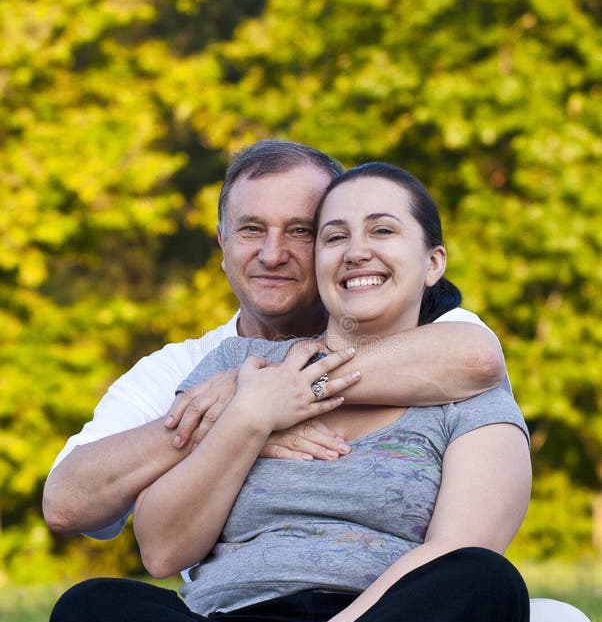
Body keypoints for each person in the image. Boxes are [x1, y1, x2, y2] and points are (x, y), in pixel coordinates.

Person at [44, 162, 534, 622]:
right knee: (90, 609)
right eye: (333, 237)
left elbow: (454, 548)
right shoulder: (235, 369)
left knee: (484, 582)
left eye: (383, 231)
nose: (355, 252)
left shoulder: (466, 383)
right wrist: (250, 417)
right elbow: (161, 551)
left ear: (433, 263)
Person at [42, 140, 506, 544]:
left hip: (386, 604)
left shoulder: (415, 326)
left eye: (300, 231)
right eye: (251, 230)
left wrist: (274, 383)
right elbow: (65, 504)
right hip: (238, 610)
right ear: (223, 246)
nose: (271, 254)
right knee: (92, 610)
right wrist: (242, 419)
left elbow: (477, 357)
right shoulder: (188, 366)